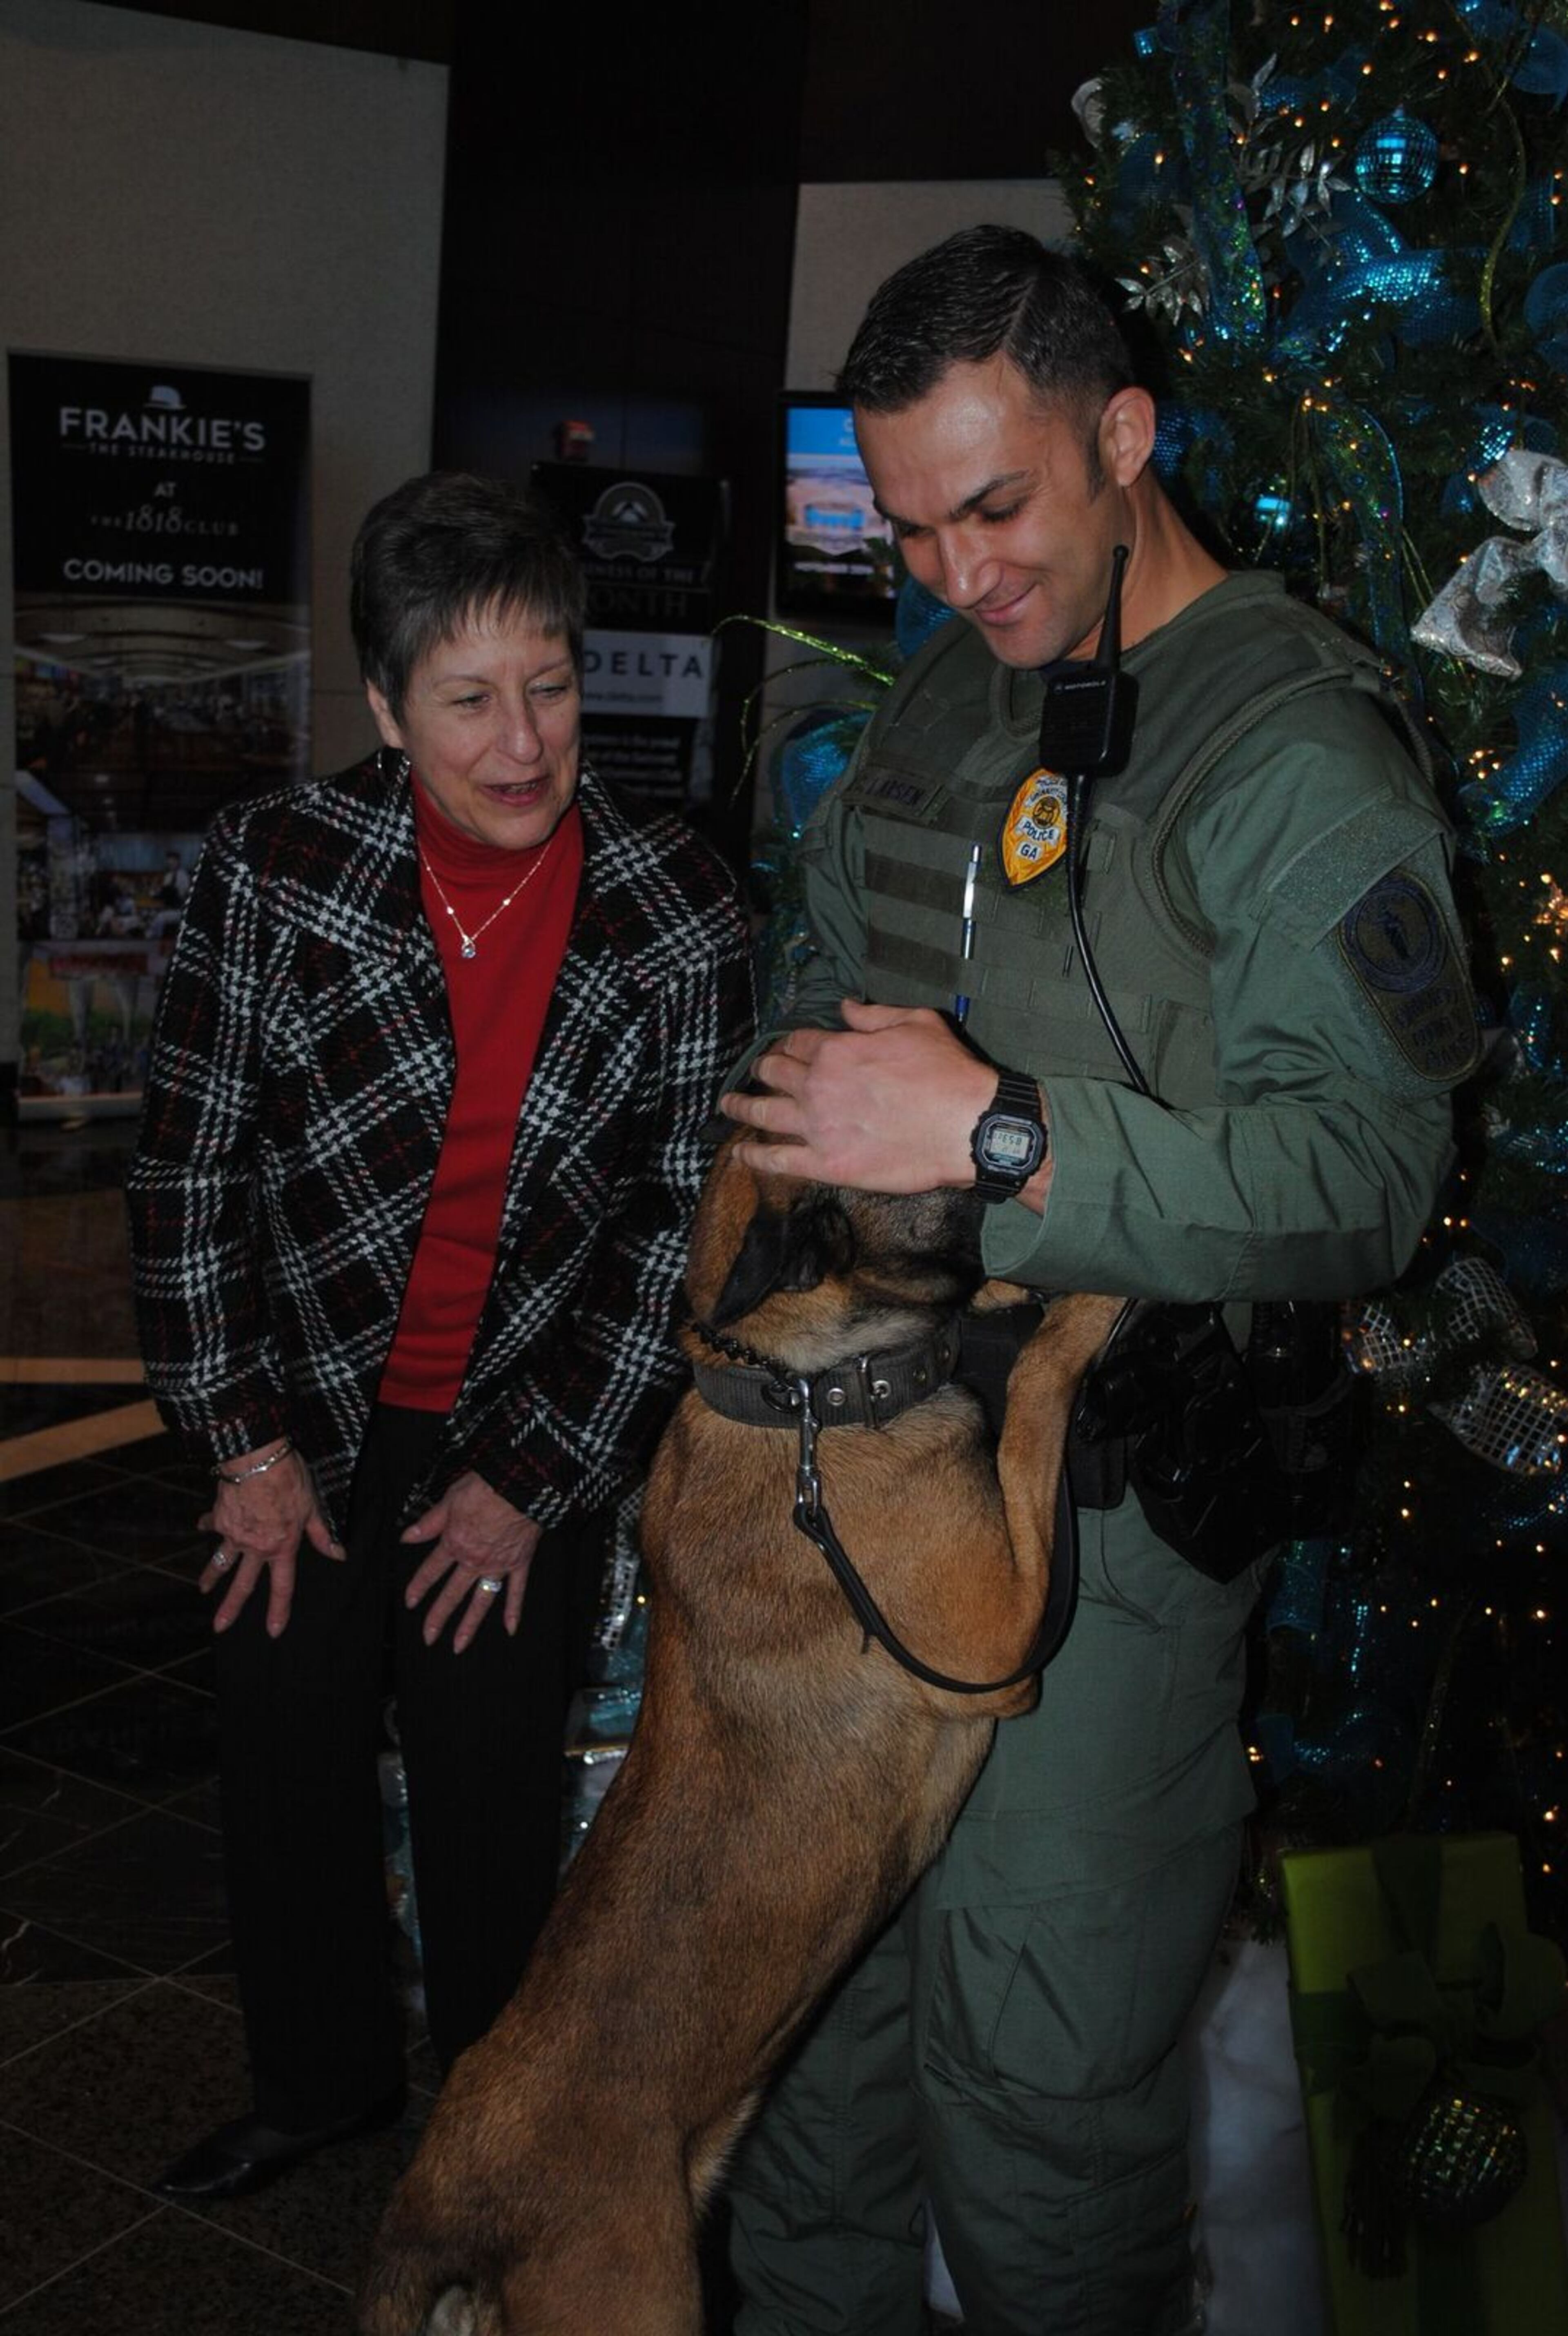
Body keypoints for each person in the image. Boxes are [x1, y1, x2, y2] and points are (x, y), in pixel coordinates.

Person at [718, 228, 1479, 2335]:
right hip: (860, 1496)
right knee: (811, 2071)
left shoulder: (1296, 752)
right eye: (913, 526)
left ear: (1126, 437)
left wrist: (999, 1141)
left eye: (1000, 505)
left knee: (1048, 2120)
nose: (958, 571)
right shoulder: (967, 688)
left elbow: (1375, 1173)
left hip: (1104, 1544)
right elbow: (823, 982)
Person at [127, 470, 753, 2201]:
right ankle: (319, 2081)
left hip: (520, 1422)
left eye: (550, 686)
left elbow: (669, 1240)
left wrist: (535, 1480)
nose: (523, 740)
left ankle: (499, 2129)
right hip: (303, 1412)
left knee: (494, 1800)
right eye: (469, 698)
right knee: (285, 1754)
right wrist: (236, 1442)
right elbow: (189, 1161)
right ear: (391, 709)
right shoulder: (277, 867)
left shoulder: (678, 906)